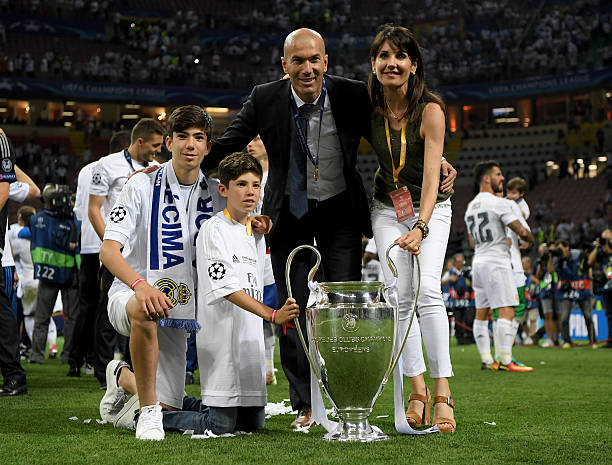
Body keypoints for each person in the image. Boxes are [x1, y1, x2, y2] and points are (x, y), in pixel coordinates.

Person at [201, 27, 456, 429]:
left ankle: (344, 398)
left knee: (343, 309)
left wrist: (438, 161)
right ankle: (304, 403)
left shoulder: (353, 93)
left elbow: (401, 124)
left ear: (326, 62)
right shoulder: (266, 98)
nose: (307, 68)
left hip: (341, 213)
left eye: (314, 59)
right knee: (295, 306)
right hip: (291, 214)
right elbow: (229, 143)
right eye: (298, 61)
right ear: (284, 66)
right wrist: (177, 166)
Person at [98, 106, 223, 440]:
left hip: (180, 308)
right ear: (168, 142)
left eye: (199, 137)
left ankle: (123, 377)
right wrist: (140, 286)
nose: (190, 145)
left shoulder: (216, 192)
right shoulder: (140, 186)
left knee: (174, 404)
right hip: (131, 296)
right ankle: (149, 413)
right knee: (146, 310)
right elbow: (108, 250)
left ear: (208, 147)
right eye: (182, 136)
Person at [367, 24, 455, 433]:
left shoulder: (431, 110)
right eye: (384, 56)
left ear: (413, 65)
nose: (392, 63)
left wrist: (420, 226)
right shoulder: (369, 105)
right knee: (397, 294)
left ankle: (442, 393)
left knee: (429, 290)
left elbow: (435, 175)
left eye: (400, 56)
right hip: (387, 208)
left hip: (431, 207)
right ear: (374, 64)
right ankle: (415, 389)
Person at [196, 151, 299, 434]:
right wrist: (272, 313)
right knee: (219, 427)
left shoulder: (254, 231)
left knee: (253, 427)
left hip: (250, 348)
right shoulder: (213, 229)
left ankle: (178, 404)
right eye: (241, 184)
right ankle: (147, 413)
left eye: (255, 185)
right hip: (222, 342)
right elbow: (228, 288)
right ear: (223, 189)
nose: (250, 191)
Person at [89, 119, 163, 389]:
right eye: (154, 145)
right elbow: (94, 209)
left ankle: (131, 372)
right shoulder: (106, 165)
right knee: (108, 315)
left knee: (141, 313)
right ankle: (103, 371)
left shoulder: (156, 171)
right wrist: (113, 245)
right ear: (140, 141)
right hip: (117, 251)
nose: (157, 151)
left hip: (144, 256)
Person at [465, 161, 534, 373]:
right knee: (506, 310)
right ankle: (505, 360)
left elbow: (471, 243)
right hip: (497, 262)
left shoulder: (471, 207)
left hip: (478, 262)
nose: (502, 178)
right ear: (487, 179)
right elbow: (521, 231)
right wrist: (530, 238)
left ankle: (487, 360)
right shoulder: (499, 203)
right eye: (498, 174)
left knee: (482, 313)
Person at [72, 131, 131, 376]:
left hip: (89, 245)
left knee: (88, 306)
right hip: (112, 246)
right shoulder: (116, 170)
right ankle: (108, 363)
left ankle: (78, 360)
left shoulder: (86, 170)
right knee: (113, 305)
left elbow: (78, 210)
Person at [29, 184, 79, 370]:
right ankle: (67, 355)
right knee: (71, 318)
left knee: (42, 317)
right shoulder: (73, 220)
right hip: (69, 274)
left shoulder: (35, 220)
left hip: (48, 274)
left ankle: (36, 355)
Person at [247, 135, 278, 385]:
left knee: (269, 313)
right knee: (252, 313)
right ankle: (258, 366)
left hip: (270, 256)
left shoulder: (277, 179)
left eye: (258, 139)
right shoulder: (246, 181)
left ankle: (268, 367)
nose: (251, 143)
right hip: (247, 254)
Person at [0, 129, 27, 397]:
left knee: (3, 314)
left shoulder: (0, 140)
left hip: (2, 258)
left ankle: (14, 375)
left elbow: (9, 190)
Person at [548, 239, 595, 349]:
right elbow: (550, 271)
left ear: (567, 247)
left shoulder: (578, 254)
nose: (559, 251)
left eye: (560, 248)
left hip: (581, 288)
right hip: (566, 290)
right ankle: (566, 341)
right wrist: (551, 256)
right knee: (564, 317)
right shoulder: (556, 258)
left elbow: (589, 262)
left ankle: (593, 340)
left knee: (588, 316)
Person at [588, 229, 612, 348]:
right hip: (607, 287)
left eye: (608, 238)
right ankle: (610, 340)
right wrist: (597, 247)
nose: (605, 241)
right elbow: (590, 262)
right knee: (609, 314)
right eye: (604, 238)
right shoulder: (601, 253)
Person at [535, 243, 559, 347]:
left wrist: (550, 259)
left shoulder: (558, 260)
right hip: (545, 292)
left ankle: (557, 339)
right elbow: (537, 276)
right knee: (547, 316)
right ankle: (549, 339)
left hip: (556, 291)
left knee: (556, 316)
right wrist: (540, 264)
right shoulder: (540, 261)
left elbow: (551, 271)